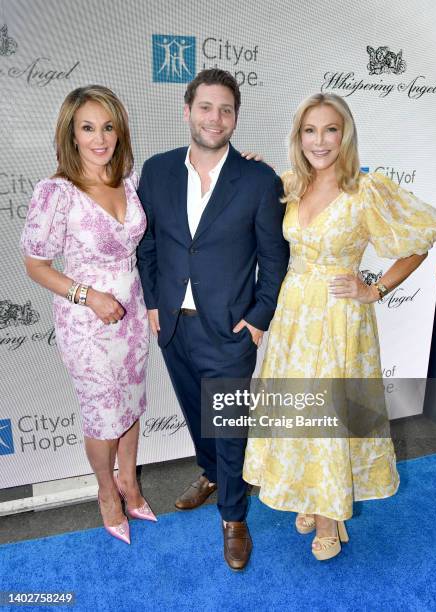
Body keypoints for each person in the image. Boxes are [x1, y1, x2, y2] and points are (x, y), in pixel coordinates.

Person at [243, 92, 436, 561]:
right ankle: (313, 492)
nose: (320, 140)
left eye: (330, 129)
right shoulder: (289, 184)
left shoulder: (366, 189)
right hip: (294, 315)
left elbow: (421, 240)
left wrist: (373, 289)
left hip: (339, 319)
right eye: (310, 130)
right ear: (299, 136)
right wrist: (250, 167)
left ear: (346, 134)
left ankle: (328, 515)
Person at [137, 68, 289, 570]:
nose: (215, 118)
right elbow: (149, 241)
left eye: (225, 109)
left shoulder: (258, 178)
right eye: (205, 107)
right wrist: (155, 304)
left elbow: (274, 256)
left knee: (229, 426)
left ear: (235, 117)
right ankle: (209, 473)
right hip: (173, 325)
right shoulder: (156, 171)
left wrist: (259, 317)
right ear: (187, 111)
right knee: (196, 412)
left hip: (229, 328)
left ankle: (233, 516)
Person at [20, 85, 156, 545]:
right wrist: (88, 296)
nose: (100, 138)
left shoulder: (128, 178)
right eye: (88, 127)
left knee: (132, 405)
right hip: (87, 324)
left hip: (133, 313)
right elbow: (35, 266)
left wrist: (243, 165)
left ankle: (131, 483)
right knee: (103, 417)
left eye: (108, 126)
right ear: (71, 134)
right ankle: (106, 492)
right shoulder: (56, 192)